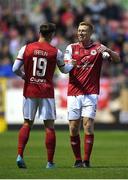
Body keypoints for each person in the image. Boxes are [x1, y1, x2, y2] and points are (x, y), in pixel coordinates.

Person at [12, 23, 74, 169]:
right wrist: (73, 64)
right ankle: (50, 162)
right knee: (49, 127)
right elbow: (65, 70)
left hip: (30, 90)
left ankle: (20, 155)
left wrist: (24, 77)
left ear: (39, 32)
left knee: (27, 123)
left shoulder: (26, 48)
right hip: (46, 92)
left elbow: (15, 68)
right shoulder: (55, 52)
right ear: (52, 34)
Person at [64, 21, 120, 168]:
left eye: (84, 31)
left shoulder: (98, 49)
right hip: (74, 93)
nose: (80, 33)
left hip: (91, 93)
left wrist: (108, 49)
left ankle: (86, 160)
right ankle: (77, 159)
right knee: (73, 127)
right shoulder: (71, 48)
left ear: (90, 33)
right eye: (79, 30)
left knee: (88, 125)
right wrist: (70, 65)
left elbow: (116, 59)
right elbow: (64, 66)